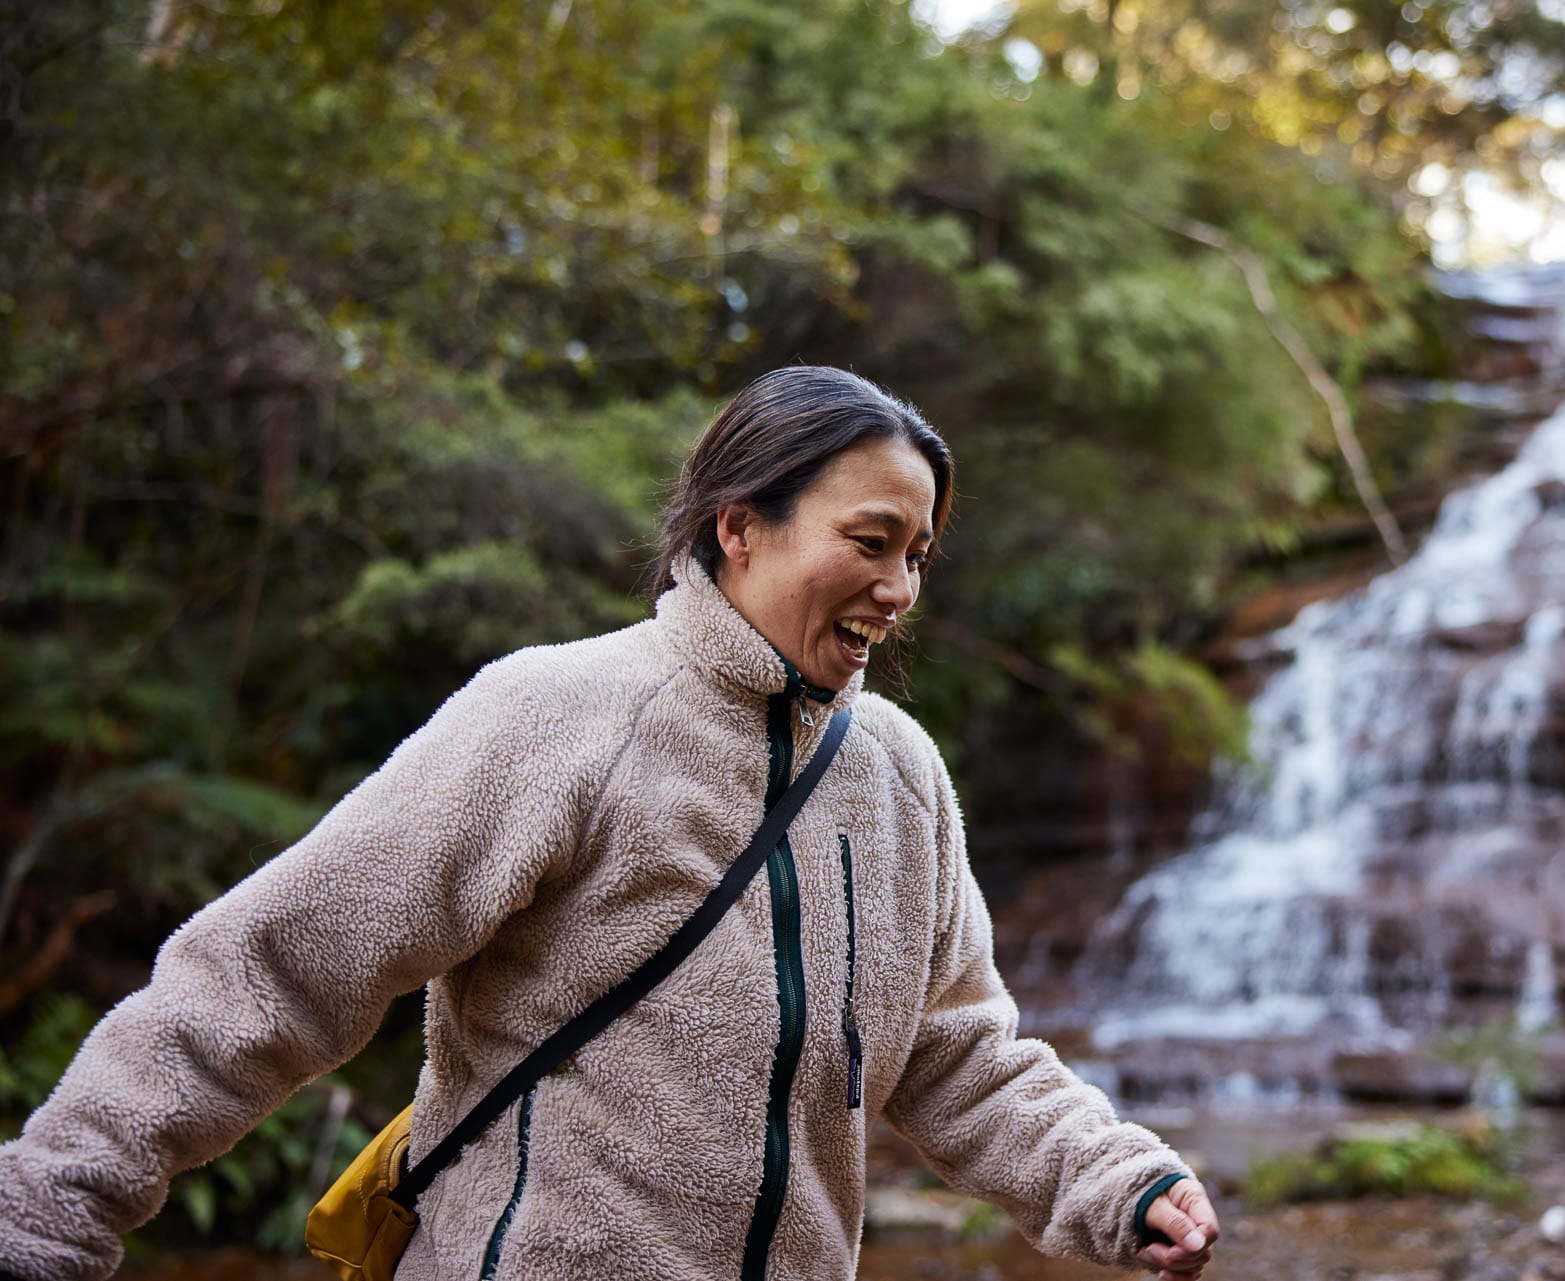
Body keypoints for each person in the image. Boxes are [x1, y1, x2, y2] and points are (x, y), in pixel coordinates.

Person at [0, 364, 1221, 1281]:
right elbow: (274, 970)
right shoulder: (559, 715)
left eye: (919, 556)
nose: (899, 590)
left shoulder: (899, 777)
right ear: (740, 526)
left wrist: (1118, 1181)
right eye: (870, 542)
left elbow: (955, 1053)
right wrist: (49, 1210)